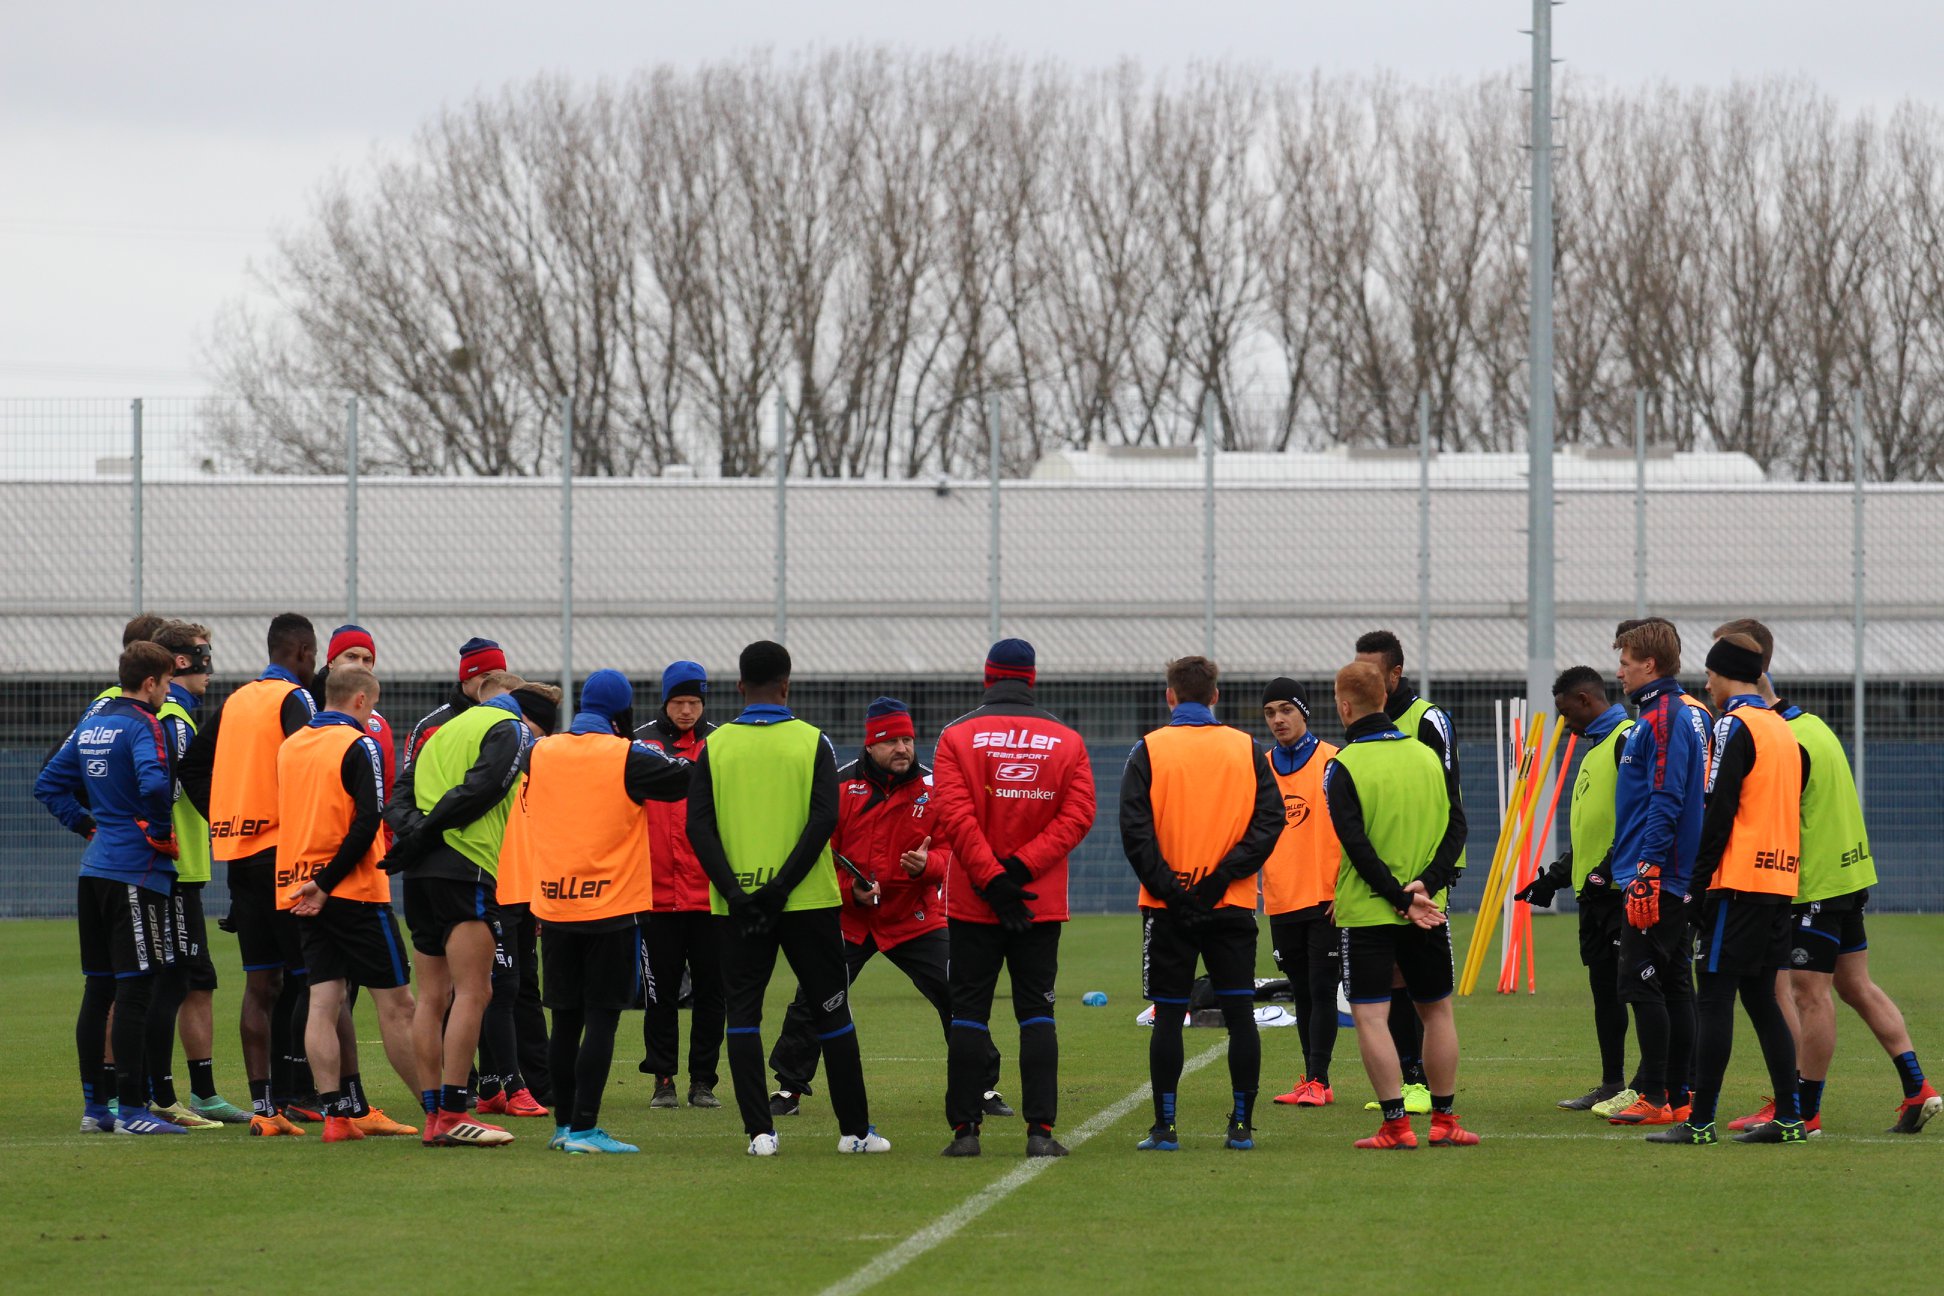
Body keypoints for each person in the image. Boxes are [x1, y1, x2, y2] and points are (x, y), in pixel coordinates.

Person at [685, 641, 886, 1157]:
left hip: (737, 908)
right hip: (807, 903)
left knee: (744, 1018)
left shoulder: (717, 745)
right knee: (833, 1013)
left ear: (738, 687)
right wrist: (779, 890)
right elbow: (824, 820)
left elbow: (698, 828)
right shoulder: (812, 741)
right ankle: (855, 1133)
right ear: (787, 684)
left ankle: (760, 1134)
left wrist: (737, 890)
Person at [768, 698, 1010, 1121]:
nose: (902, 749)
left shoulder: (935, 789)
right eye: (891, 741)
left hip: (913, 917)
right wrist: (851, 891)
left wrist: (928, 866)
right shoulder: (840, 787)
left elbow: (957, 848)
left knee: (957, 991)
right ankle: (789, 1088)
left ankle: (982, 1086)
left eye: (907, 740)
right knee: (815, 997)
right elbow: (820, 851)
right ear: (870, 746)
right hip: (851, 919)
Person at [932, 638, 1097, 1159]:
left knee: (967, 1016)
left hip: (973, 903)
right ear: (1032, 678)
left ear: (987, 677)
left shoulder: (956, 737)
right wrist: (1020, 871)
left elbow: (953, 816)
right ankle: (1040, 1133)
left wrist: (991, 878)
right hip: (1037, 902)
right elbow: (1079, 816)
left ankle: (965, 1133)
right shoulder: (1067, 741)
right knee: (1037, 1014)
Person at [1647, 633, 1808, 1146]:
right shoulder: (1782, 729)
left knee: (1713, 998)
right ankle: (1790, 1117)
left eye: (1711, 675)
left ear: (1724, 675)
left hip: (1736, 884)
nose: (1708, 684)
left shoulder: (1733, 725)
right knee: (1761, 999)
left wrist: (1695, 888)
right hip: (1779, 882)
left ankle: (1700, 1122)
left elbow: (1718, 812)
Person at [523, 670, 693, 1154]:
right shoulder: (627, 756)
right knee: (601, 1020)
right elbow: (688, 781)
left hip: (554, 904)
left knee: (565, 1021)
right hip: (611, 909)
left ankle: (562, 1126)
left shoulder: (541, 751)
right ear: (623, 715)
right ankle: (585, 1128)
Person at [1121, 657, 1283, 1152]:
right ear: (1216, 697)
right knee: (1239, 1018)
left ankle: (1165, 1128)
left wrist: (1175, 891)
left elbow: (1135, 832)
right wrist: (1218, 884)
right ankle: (1240, 1127)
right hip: (1230, 906)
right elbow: (1270, 822)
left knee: (1169, 1017)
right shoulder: (1247, 749)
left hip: (1169, 910)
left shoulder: (1149, 749)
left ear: (1170, 696)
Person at [36, 640, 188, 1135]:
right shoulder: (143, 723)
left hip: (95, 870)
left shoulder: (93, 723)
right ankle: (133, 1111)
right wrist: (161, 833)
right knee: (137, 988)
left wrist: (87, 826)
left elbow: (49, 784)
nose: (168, 692)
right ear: (150, 683)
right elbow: (153, 782)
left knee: (98, 988)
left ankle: (95, 1109)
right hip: (135, 874)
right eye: (166, 684)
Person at [1324, 661, 1477, 1149]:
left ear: (1345, 706)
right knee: (1437, 1010)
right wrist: (1422, 888)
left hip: (1370, 910)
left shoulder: (1342, 764)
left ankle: (1396, 1126)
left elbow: (1355, 844)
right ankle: (1446, 1121)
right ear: (1385, 701)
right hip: (1428, 906)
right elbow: (1458, 828)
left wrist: (1396, 897)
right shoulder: (1427, 756)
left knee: (1371, 1015)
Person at [177, 612, 320, 1136]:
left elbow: (190, 766)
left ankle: (265, 1103)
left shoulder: (237, 700)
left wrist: (223, 818)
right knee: (310, 977)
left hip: (240, 855)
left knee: (262, 981)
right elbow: (312, 766)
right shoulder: (295, 700)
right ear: (303, 652)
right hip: (285, 852)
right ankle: (301, 1093)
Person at [384, 669, 535, 1147]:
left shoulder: (444, 730)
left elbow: (398, 796)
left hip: (422, 873)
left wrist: (414, 835)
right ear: (511, 697)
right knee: (475, 992)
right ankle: (453, 1113)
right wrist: (430, 832)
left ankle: (434, 1116)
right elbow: (482, 789)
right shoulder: (509, 728)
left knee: (432, 998)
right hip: (466, 868)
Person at [280, 665, 420, 1142]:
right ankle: (440, 1107)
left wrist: (313, 883)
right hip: (353, 891)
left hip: (300, 888)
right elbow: (367, 824)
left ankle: (336, 1117)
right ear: (361, 701)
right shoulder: (358, 744)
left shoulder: (291, 744)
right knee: (398, 1004)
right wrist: (328, 881)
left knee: (324, 1000)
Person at [1594, 618, 1712, 1128]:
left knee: (1641, 984)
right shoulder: (1658, 714)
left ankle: (1658, 1093)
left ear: (1650, 664)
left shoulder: (1663, 717)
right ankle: (1680, 1096)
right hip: (1664, 872)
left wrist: (1646, 868)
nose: (1618, 671)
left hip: (1658, 876)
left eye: (1624, 662)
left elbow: (1666, 797)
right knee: (1672, 985)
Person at [1352, 630, 1467, 1115]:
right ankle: (1406, 1076)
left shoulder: (1427, 720)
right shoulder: (1362, 725)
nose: (1361, 680)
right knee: (1389, 982)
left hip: (1427, 875)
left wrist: (1430, 877)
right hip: (1383, 879)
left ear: (1395, 675)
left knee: (1421, 986)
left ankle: (1423, 1084)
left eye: (1371, 672)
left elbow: (1446, 803)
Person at [1515, 665, 1635, 1111]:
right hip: (1594, 896)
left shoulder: (1627, 739)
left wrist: (1609, 868)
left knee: (1641, 991)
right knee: (1605, 993)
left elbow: (1640, 817)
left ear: (1586, 700)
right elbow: (1591, 832)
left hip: (1624, 892)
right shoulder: (1594, 751)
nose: (1564, 724)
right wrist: (1553, 878)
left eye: (1566, 714)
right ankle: (1611, 1083)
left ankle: (1655, 1085)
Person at [147, 620, 249, 1126]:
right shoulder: (173, 718)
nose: (212, 666)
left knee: (197, 980)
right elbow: (175, 788)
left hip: (186, 869)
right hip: (174, 870)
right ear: (182, 662)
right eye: (204, 655)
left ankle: (202, 1092)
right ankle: (160, 1095)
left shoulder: (181, 716)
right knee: (171, 979)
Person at [634, 660, 725, 1110]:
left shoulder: (722, 743)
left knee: (713, 992)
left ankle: (703, 1081)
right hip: (655, 894)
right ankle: (663, 1080)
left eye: (694, 702)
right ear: (665, 702)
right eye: (679, 702)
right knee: (660, 994)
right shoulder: (638, 743)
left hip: (711, 895)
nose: (687, 711)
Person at [1258, 678, 1343, 1108]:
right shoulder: (1262, 766)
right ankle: (1310, 1078)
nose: (1277, 720)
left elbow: (1355, 831)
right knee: (1302, 990)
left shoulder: (1334, 761)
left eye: (1285, 710)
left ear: (1304, 712)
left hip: (1327, 899)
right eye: (1270, 712)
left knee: (1322, 987)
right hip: (1281, 898)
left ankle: (1319, 1079)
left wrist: (1344, 888)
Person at [489, 683, 561, 1116]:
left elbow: (539, 835)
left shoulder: (535, 764)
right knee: (493, 991)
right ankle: (495, 1082)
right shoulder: (498, 757)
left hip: (522, 894)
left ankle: (535, 1081)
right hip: (493, 891)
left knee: (522, 991)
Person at [403, 637, 509, 766]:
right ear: (466, 678)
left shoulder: (516, 720)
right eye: (485, 676)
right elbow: (410, 780)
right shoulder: (431, 727)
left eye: (500, 677)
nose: (493, 683)